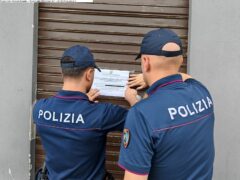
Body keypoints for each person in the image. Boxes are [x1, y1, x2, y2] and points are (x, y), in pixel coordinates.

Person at [118, 28, 215, 180]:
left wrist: (136, 102)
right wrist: (153, 76)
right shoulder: (202, 91)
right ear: (181, 61)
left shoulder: (140, 114)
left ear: (145, 62)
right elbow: (186, 77)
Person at [33, 45, 130, 180]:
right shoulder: (101, 114)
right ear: (89, 74)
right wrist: (133, 99)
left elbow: (67, 120)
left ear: (62, 73)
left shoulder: (39, 109)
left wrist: (81, 103)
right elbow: (141, 119)